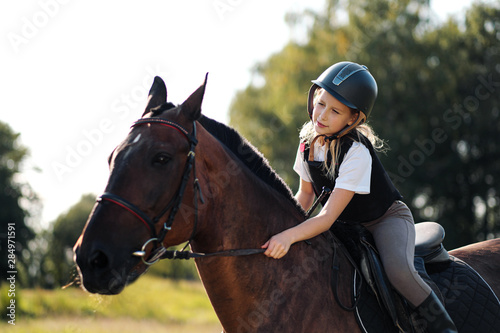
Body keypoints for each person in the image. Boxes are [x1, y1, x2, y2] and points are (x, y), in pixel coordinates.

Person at [261, 61, 457, 333]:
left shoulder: (357, 153)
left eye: (335, 111)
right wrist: (283, 228)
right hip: (346, 224)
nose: (323, 115)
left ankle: (445, 327)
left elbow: (327, 216)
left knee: (398, 271)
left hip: (384, 219)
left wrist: (290, 236)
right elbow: (305, 195)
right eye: (320, 104)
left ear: (353, 119)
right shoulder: (306, 144)